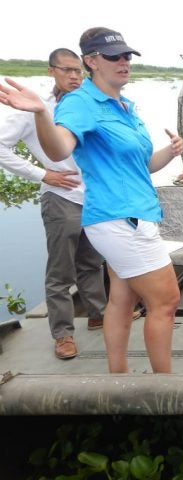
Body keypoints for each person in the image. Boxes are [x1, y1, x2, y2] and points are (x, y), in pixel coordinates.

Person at [0, 27, 183, 374]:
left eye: (127, 56)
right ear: (91, 61)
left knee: (121, 298)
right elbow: (59, 148)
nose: (124, 62)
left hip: (131, 213)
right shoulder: (80, 103)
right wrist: (41, 113)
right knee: (166, 301)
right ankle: (165, 389)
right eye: (114, 56)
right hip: (119, 219)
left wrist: (171, 153)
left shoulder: (124, 105)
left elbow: (141, 166)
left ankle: (118, 375)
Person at [0, 48, 107, 360]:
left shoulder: (86, 105)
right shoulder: (35, 108)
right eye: (66, 70)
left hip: (93, 199)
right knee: (60, 273)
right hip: (61, 198)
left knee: (91, 262)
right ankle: (62, 334)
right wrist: (42, 174)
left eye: (78, 71)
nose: (74, 76)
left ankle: (98, 313)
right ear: (51, 72)